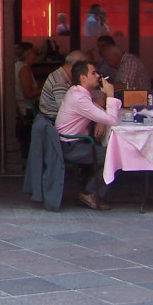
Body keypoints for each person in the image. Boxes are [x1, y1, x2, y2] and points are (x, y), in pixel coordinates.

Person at [55, 62, 121, 210]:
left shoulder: (77, 92)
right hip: (70, 147)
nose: (98, 75)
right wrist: (110, 95)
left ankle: (91, 191)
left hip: (71, 143)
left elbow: (101, 114)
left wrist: (101, 120)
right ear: (83, 78)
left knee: (110, 152)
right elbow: (112, 120)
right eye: (94, 73)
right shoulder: (80, 98)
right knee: (115, 155)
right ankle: (89, 193)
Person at [38, 50, 87, 118]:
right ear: (75, 66)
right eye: (83, 67)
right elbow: (65, 110)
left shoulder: (62, 75)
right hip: (52, 120)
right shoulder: (60, 81)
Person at [14, 42, 42, 117]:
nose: (35, 56)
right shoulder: (24, 69)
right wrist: (46, 89)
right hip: (26, 109)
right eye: (34, 53)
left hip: (21, 108)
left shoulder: (16, 65)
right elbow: (29, 94)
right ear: (28, 54)